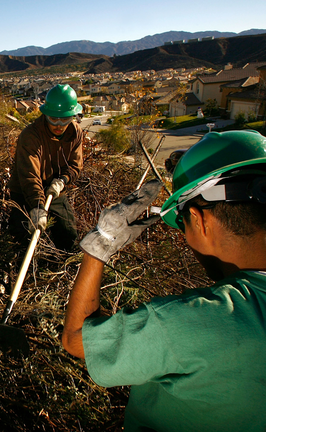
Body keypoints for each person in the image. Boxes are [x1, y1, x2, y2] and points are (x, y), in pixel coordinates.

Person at [61, 130, 266, 431]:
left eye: (182, 223)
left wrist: (97, 248)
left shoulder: (189, 323)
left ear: (199, 220)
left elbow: (76, 338)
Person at [7, 84, 84, 251]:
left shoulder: (75, 133)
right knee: (22, 234)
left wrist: (63, 181)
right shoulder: (30, 135)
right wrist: (38, 207)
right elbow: (29, 174)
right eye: (53, 118)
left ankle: (62, 265)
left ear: (73, 116)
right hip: (25, 190)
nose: (59, 124)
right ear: (45, 114)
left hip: (55, 188)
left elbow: (75, 164)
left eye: (65, 119)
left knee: (67, 233)